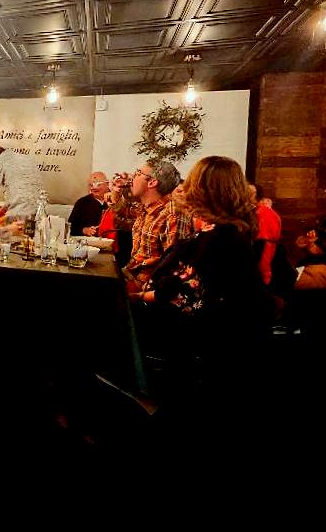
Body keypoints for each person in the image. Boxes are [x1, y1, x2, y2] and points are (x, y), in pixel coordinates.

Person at [133, 157, 273, 388]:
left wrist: (140, 297)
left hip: (213, 343)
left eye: (192, 182)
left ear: (204, 190)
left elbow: (186, 295)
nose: (186, 188)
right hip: (219, 333)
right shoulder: (224, 230)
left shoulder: (221, 237)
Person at [121, 160, 193, 292]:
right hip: (130, 277)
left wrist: (140, 292)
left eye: (138, 173)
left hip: (144, 289)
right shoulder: (146, 208)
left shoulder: (173, 214)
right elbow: (120, 210)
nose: (132, 177)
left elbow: (173, 267)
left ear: (152, 182)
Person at [0, 146, 43, 220]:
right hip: (39, 211)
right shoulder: (25, 159)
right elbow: (21, 191)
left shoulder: (0, 159)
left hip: (20, 213)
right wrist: (3, 209)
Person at [250, 183, 282, 285]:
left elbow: (264, 246)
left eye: (250, 193)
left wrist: (264, 275)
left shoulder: (264, 213)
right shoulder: (257, 211)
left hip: (263, 271)